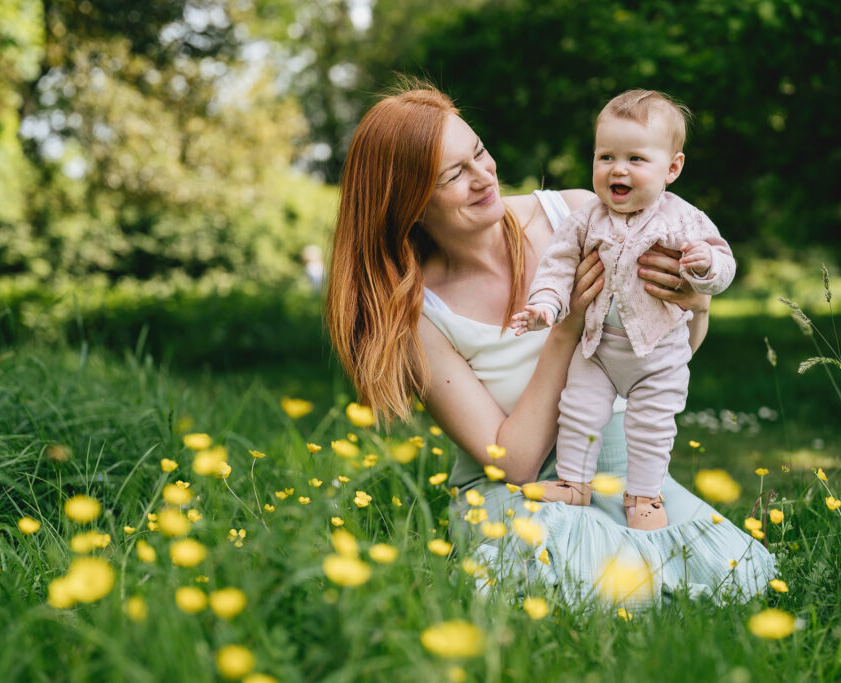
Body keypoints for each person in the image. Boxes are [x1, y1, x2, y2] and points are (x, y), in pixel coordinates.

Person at [325, 82, 774, 607]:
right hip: (519, 496)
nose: (482, 177)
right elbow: (512, 463)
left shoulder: (579, 215)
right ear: (409, 203)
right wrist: (565, 329)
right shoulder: (418, 313)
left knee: (741, 574)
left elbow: (667, 355)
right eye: (453, 175)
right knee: (603, 582)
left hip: (621, 478)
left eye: (478, 152)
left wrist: (695, 305)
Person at [509, 90, 735, 532]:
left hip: (659, 350)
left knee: (652, 427)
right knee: (577, 410)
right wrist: (544, 305)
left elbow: (722, 261)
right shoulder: (585, 220)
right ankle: (573, 482)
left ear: (672, 168)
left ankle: (645, 496)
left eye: (636, 159)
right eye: (606, 156)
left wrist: (706, 267)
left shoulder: (683, 219)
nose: (618, 168)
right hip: (598, 347)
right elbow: (557, 266)